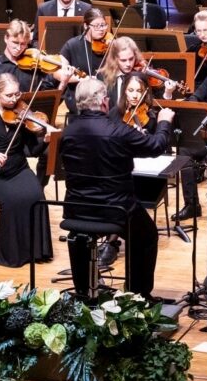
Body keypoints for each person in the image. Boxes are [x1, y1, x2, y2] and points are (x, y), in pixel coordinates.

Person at [57, 77, 174, 298]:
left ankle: (84, 292)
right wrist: (164, 122)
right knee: (146, 235)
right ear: (104, 102)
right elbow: (156, 146)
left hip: (76, 207)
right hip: (116, 209)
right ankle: (137, 296)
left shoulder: (68, 131)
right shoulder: (117, 131)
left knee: (80, 234)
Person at [0, 75, 55, 269]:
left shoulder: (22, 114)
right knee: (13, 201)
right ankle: (11, 253)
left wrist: (45, 142)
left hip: (19, 168)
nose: (15, 99)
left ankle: (36, 251)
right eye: (9, 95)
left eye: (17, 94)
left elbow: (32, 151)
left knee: (37, 195)